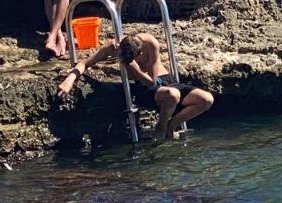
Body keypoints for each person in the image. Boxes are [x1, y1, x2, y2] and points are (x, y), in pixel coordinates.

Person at [58, 32, 215, 140]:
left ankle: (170, 126)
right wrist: (69, 80)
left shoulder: (150, 43)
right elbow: (85, 62)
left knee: (206, 99)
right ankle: (161, 128)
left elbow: (152, 80)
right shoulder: (114, 47)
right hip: (143, 88)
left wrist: (134, 67)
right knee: (172, 94)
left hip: (160, 81)